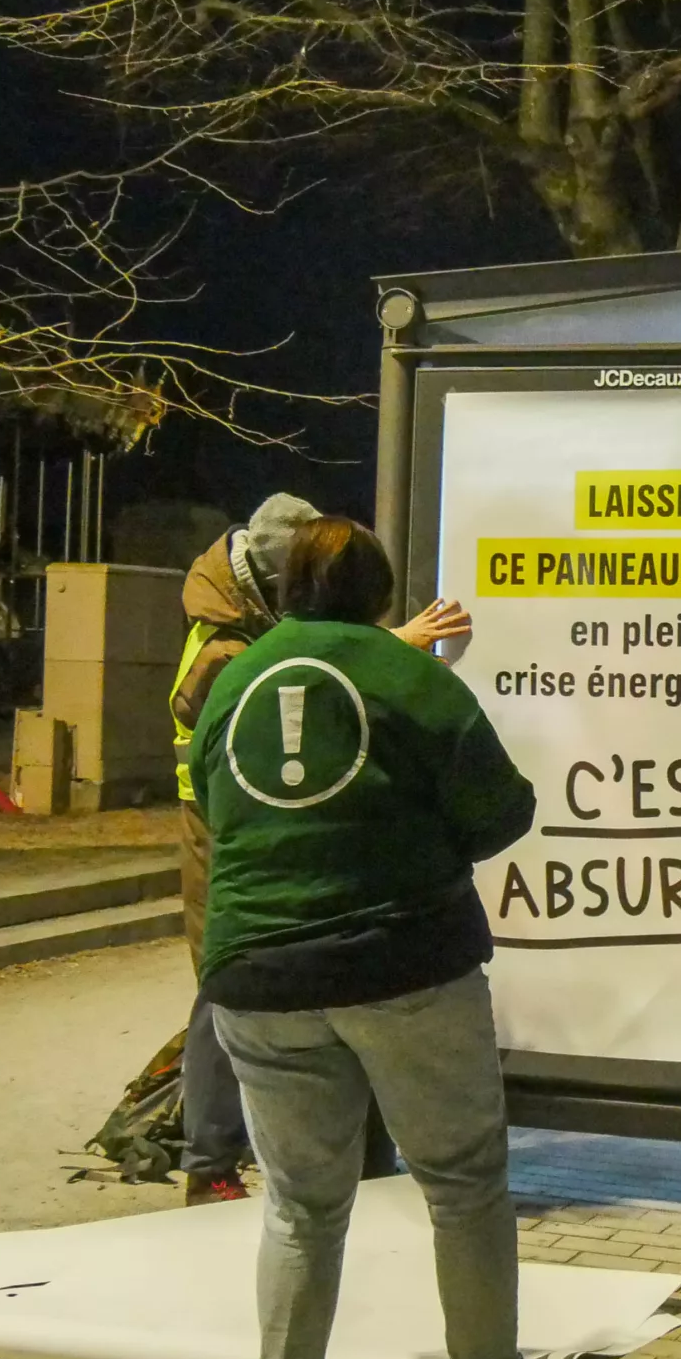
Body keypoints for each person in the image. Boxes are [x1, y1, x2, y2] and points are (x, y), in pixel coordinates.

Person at [191, 517, 573, 1359]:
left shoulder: (234, 677)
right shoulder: (408, 675)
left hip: (255, 974)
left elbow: (208, 799)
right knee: (464, 1182)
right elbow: (504, 810)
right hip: (401, 964)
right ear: (377, 593)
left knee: (299, 1203)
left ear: (282, 593)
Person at [170, 495, 467, 1204]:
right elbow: (285, 687)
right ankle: (209, 1161)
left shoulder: (246, 620)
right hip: (225, 830)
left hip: (246, 825)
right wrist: (395, 647)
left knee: (247, 980)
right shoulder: (224, 641)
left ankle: (258, 1154)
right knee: (230, 976)